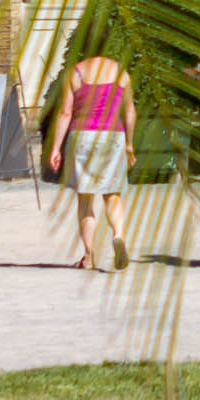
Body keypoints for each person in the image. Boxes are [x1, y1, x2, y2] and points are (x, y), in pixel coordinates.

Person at [42, 50, 134, 271]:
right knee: (112, 195)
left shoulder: (76, 72)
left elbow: (65, 113)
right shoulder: (121, 73)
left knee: (85, 199)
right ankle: (118, 235)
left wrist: (56, 148)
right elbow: (129, 111)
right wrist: (129, 144)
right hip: (113, 135)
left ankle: (89, 257)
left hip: (83, 136)